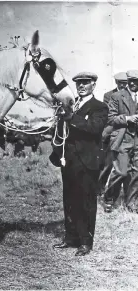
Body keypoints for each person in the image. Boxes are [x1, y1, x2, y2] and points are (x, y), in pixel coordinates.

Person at [49, 72, 108, 256]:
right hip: (68, 160)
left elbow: (94, 128)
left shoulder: (100, 107)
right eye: (79, 83)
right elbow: (61, 129)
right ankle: (70, 238)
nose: (81, 86)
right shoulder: (70, 104)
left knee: (86, 201)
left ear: (93, 85)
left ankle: (85, 242)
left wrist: (70, 118)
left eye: (85, 83)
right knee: (69, 199)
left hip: (87, 162)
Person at [103, 70, 138, 213]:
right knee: (122, 172)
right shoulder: (117, 96)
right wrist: (127, 118)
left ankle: (132, 203)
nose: (132, 83)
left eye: (136, 81)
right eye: (131, 80)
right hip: (123, 139)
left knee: (136, 173)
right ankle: (109, 199)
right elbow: (110, 118)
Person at [98, 72, 128, 198]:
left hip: (126, 132)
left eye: (124, 83)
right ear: (116, 82)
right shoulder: (108, 95)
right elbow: (110, 115)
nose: (123, 85)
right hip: (112, 132)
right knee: (107, 164)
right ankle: (99, 190)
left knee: (125, 165)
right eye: (120, 83)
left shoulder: (130, 96)